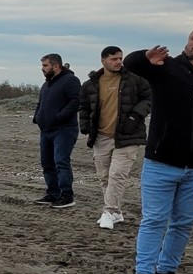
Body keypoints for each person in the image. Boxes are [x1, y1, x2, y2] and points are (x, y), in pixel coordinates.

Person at [120, 26, 193, 274]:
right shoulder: (167, 67)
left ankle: (166, 272)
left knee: (183, 223)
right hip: (161, 162)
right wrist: (145, 56)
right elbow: (131, 63)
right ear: (187, 41)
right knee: (154, 220)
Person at [78, 46, 151, 230]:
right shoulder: (90, 84)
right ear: (103, 60)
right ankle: (116, 212)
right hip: (101, 137)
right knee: (104, 177)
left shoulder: (135, 80)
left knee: (117, 175)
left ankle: (108, 212)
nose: (118, 61)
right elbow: (84, 107)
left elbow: (148, 98)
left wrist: (134, 117)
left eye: (120, 58)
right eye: (113, 59)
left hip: (128, 136)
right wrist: (85, 126)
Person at [32, 53, 80, 208]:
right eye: (43, 66)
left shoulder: (71, 81)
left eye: (45, 65)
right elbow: (41, 103)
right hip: (46, 130)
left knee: (61, 162)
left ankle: (67, 196)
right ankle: (53, 194)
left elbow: (76, 102)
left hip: (64, 129)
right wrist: (37, 117)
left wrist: (59, 117)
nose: (42, 69)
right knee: (47, 163)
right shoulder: (46, 84)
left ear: (56, 65)